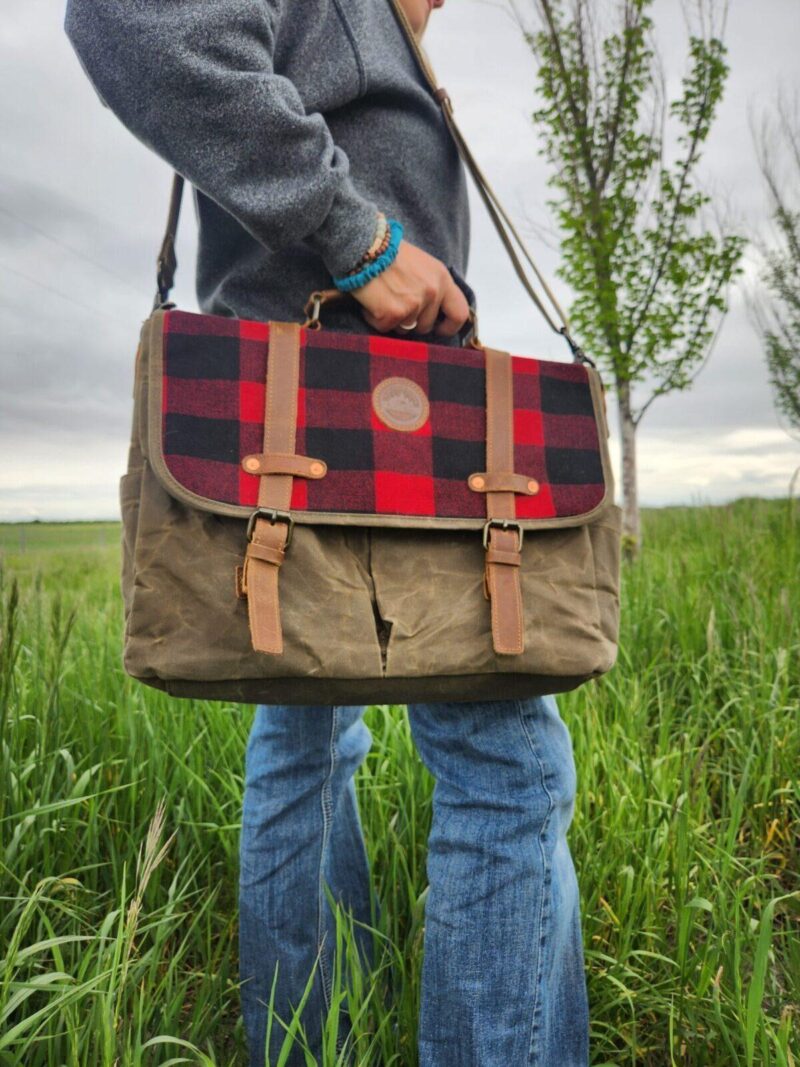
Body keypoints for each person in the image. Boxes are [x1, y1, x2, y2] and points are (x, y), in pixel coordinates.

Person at [64, 1, 590, 1064]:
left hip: (298, 431)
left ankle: (309, 1044)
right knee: (510, 767)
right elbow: (127, 19)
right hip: (349, 420)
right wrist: (363, 240)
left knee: (303, 738)